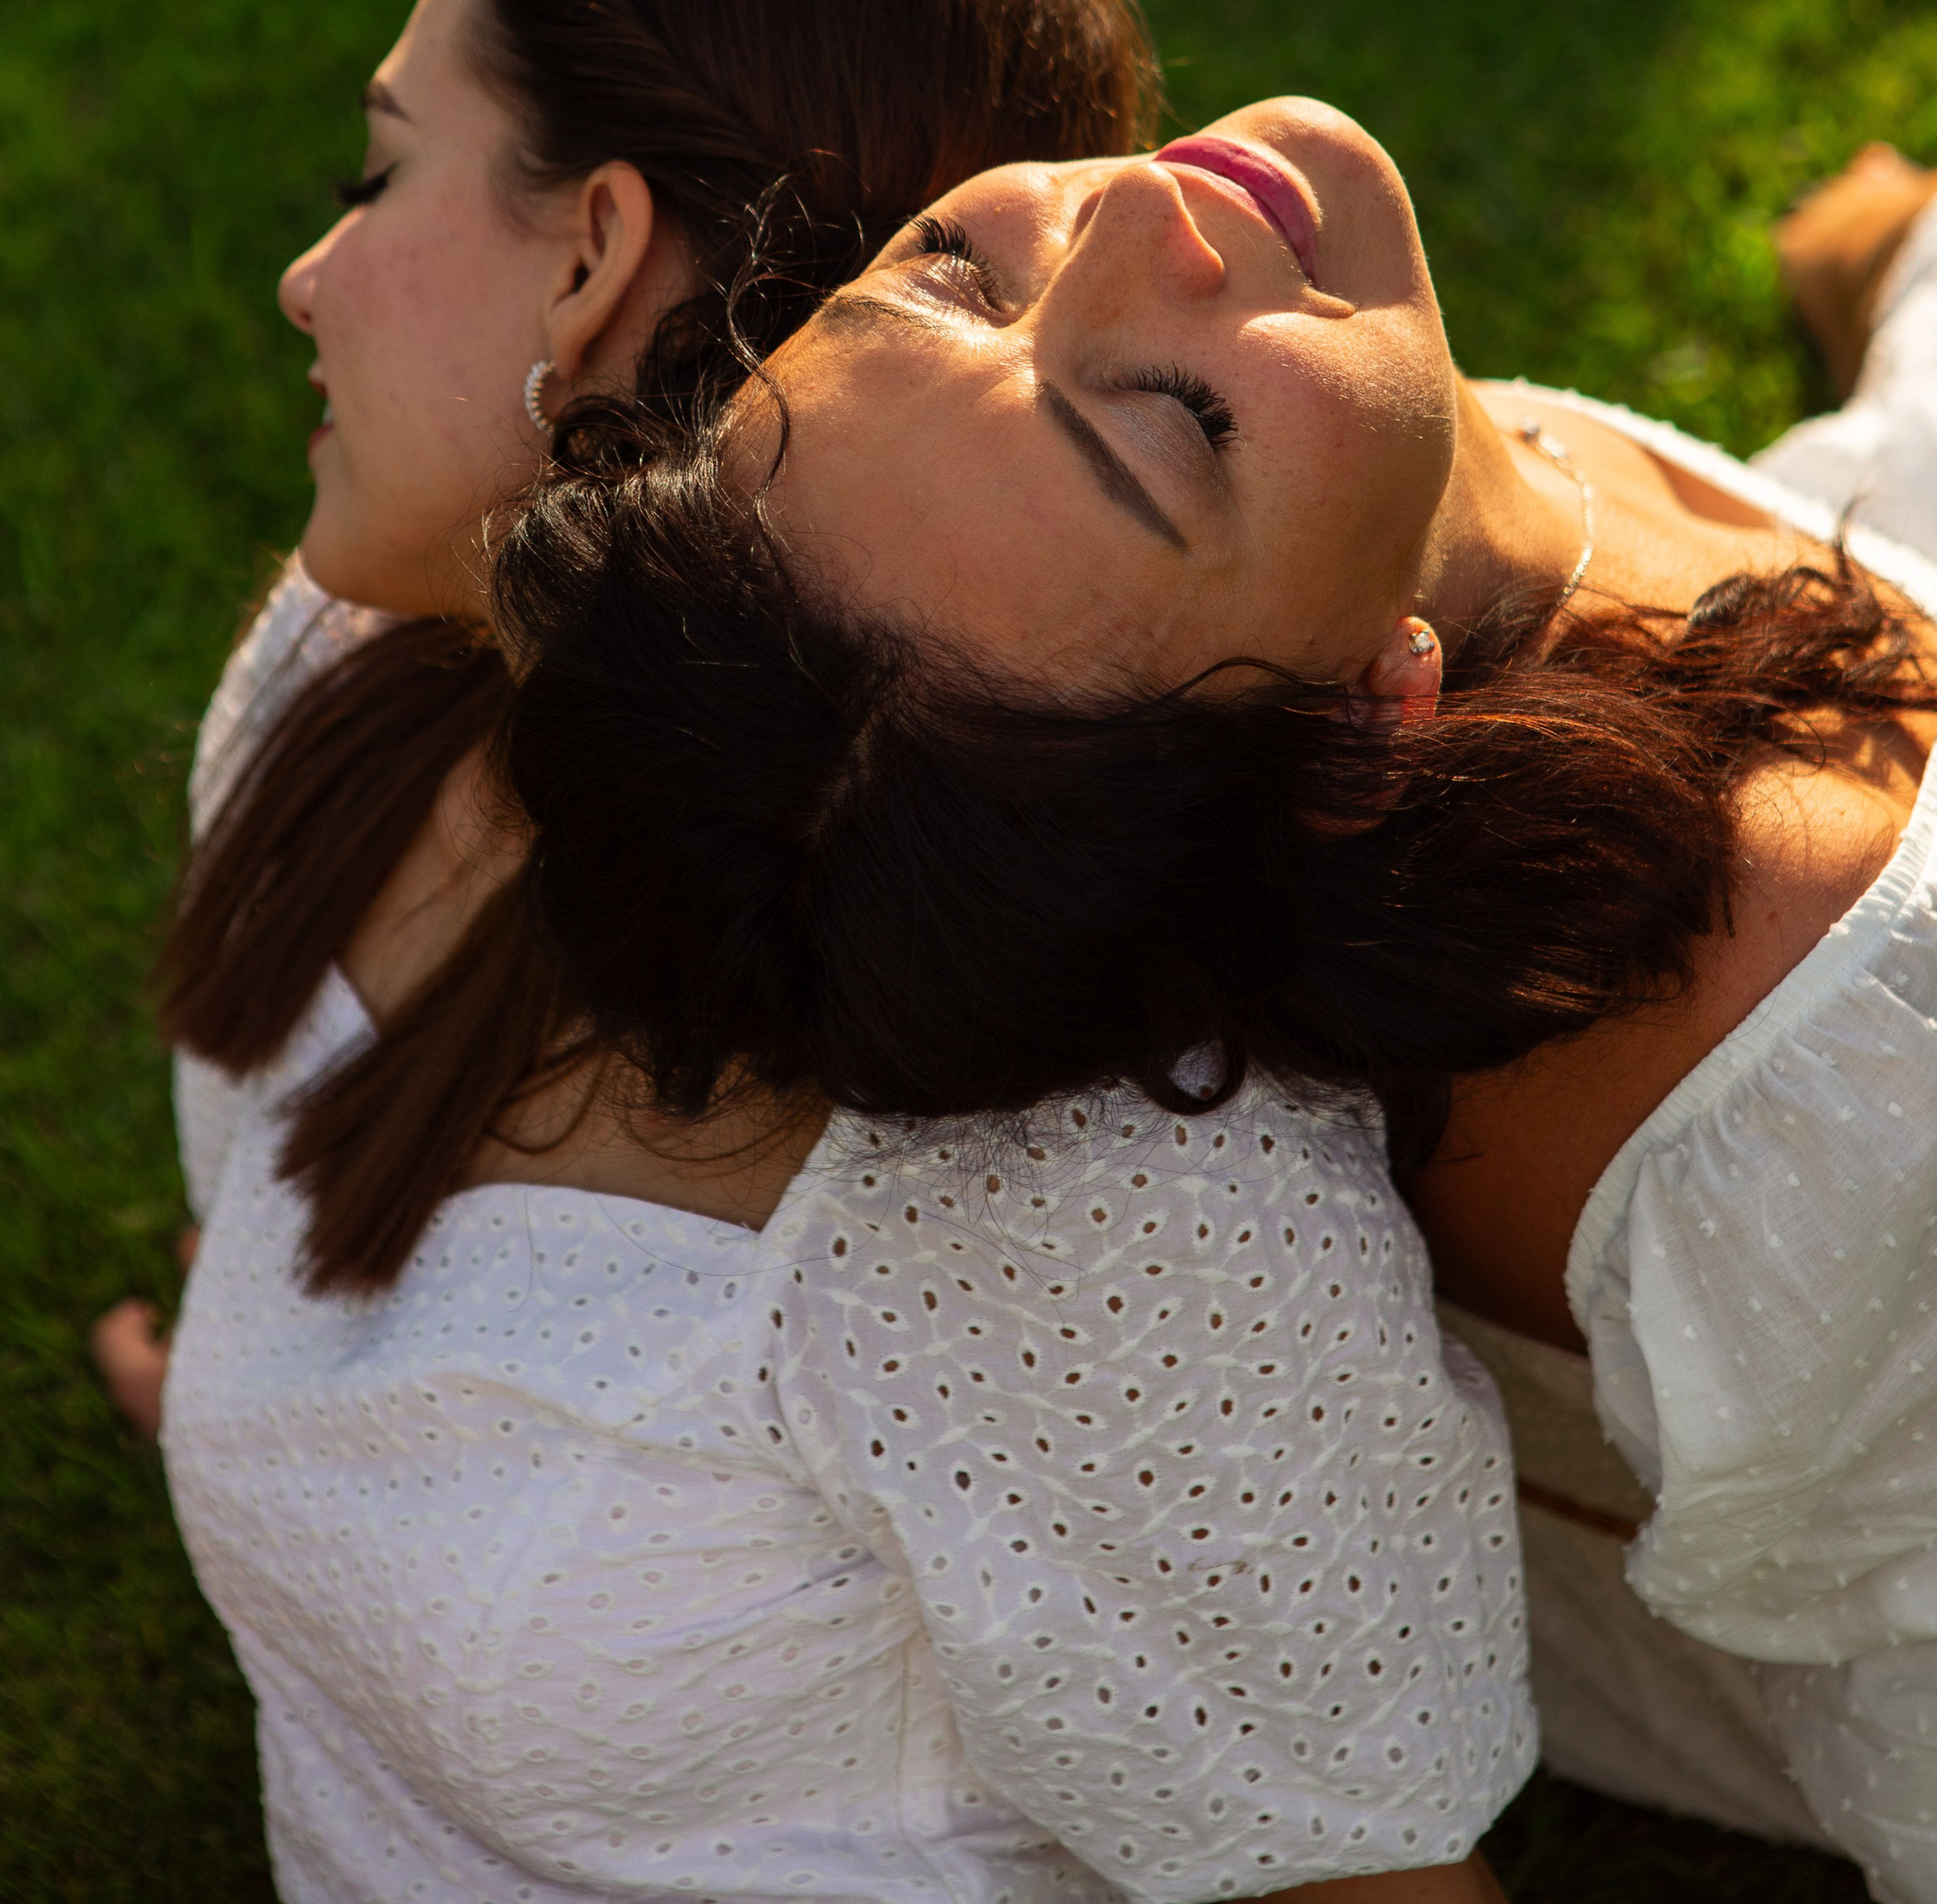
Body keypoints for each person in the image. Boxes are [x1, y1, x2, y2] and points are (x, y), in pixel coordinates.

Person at [131, 0, 1530, 1904]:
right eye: (952, 273)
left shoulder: (1094, 1248)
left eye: (380, 167)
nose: (307, 271)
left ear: (603, 258)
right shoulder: (348, 670)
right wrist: (286, 1442)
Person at [488, 96, 1937, 1901]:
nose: (1133, 227)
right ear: (1353, 730)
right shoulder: (1829, 1071)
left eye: (947, 272)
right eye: (1171, 424)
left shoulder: (1373, 512)